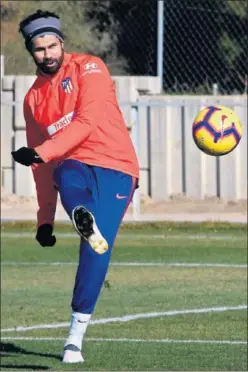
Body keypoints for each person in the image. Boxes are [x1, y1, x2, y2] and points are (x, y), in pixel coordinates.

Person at [12, 9, 139, 364]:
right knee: (63, 173)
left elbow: (86, 122)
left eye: (52, 46)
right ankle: (81, 215)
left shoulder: (90, 68)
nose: (48, 54)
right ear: (30, 51)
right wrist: (44, 220)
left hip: (115, 167)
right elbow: (42, 167)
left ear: (62, 42)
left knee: (97, 250)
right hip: (72, 165)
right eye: (39, 49)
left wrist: (39, 151)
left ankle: (74, 337)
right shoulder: (33, 100)